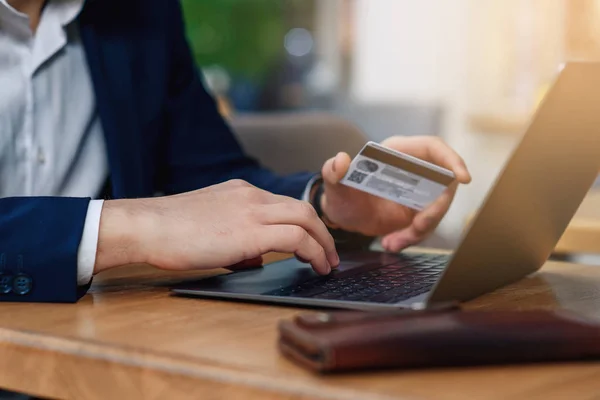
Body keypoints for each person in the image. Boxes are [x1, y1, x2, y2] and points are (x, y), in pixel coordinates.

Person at [0, 0, 471, 303]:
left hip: (102, 341)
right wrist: (128, 225)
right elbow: (166, 220)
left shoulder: (142, 13)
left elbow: (212, 177)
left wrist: (326, 206)